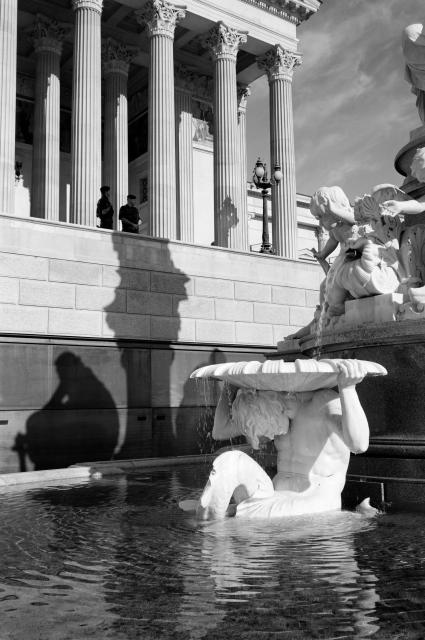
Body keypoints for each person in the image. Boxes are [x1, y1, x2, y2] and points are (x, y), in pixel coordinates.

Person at [195, 359, 370, 520]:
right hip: (273, 494)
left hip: (314, 499)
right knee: (231, 462)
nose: (266, 439)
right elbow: (220, 431)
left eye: (263, 434)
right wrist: (230, 386)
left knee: (249, 518)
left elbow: (359, 444)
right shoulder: (268, 407)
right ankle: (215, 520)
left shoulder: (325, 403)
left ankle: (220, 523)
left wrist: (348, 390)